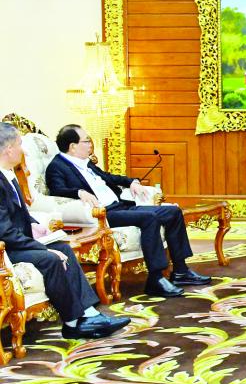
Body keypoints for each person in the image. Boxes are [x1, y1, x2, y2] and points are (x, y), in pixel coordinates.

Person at [45, 124, 211, 298]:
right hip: (104, 214)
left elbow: (109, 177)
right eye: (86, 141)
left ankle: (181, 271)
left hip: (120, 206)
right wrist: (79, 192)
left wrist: (131, 182)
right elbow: (57, 190)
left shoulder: (85, 163)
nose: (90, 145)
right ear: (72, 146)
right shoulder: (57, 166)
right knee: (149, 217)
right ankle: (155, 279)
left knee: (173, 212)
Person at [0, 122, 130, 340]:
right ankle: (72, 323)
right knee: (51, 259)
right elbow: (4, 232)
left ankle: (90, 315)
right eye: (20, 145)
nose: (24, 151)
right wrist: (42, 248)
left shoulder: (8, 174)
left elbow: (17, 213)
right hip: (5, 250)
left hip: (16, 243)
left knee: (65, 249)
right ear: (8, 149)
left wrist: (34, 224)